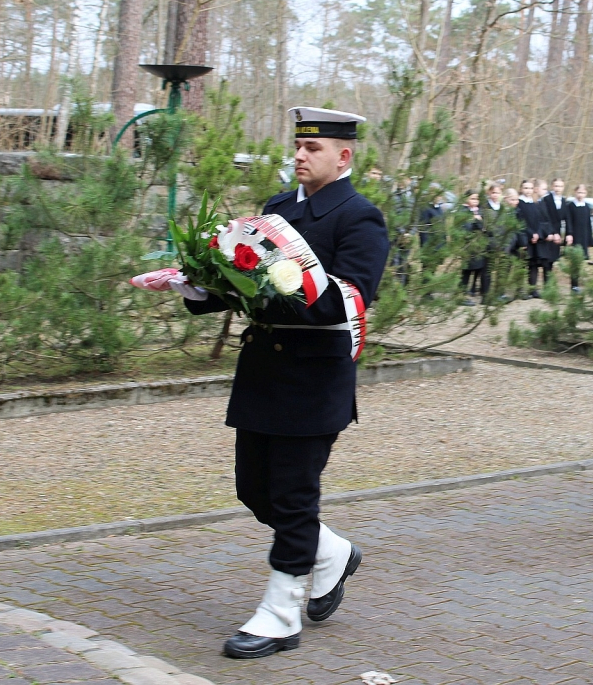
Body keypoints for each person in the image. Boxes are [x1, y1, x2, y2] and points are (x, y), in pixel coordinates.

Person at [172, 107, 390, 658]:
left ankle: (279, 614)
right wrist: (198, 285)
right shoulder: (275, 210)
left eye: (312, 149)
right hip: (264, 374)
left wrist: (284, 289)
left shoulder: (359, 217)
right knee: (253, 489)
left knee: (293, 500)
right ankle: (331, 553)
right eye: (297, 146)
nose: (298, 155)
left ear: (343, 156)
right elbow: (243, 284)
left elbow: (355, 296)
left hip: (313, 379)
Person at [458, 190, 488, 304]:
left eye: (477, 199)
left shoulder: (479, 211)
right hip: (467, 245)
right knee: (466, 271)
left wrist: (479, 222)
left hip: (478, 245)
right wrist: (475, 220)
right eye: (472, 199)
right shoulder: (463, 210)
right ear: (466, 199)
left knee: (476, 268)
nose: (475, 201)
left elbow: (484, 229)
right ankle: (461, 295)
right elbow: (465, 228)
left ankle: (470, 290)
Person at [565, 184, 593, 291]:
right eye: (579, 192)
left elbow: (588, 224)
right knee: (574, 261)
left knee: (581, 261)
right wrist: (569, 234)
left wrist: (590, 240)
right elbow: (568, 221)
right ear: (575, 192)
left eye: (583, 193)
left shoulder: (587, 207)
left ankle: (578, 283)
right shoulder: (571, 206)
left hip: (584, 236)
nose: (580, 195)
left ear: (586, 194)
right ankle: (574, 284)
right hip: (574, 236)